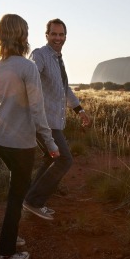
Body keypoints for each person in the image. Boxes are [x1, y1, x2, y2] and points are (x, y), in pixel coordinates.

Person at [0, 13, 60, 259]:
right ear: (22, 34)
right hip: (20, 143)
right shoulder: (27, 67)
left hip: (0, 139)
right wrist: (51, 144)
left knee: (15, 191)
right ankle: (6, 254)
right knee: (16, 196)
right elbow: (37, 110)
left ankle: (6, 237)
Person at [23, 18, 91, 220]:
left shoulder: (58, 59)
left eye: (61, 34)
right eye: (54, 34)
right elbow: (32, 77)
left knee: (50, 158)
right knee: (64, 159)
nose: (58, 38)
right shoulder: (40, 55)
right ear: (46, 35)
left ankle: (31, 199)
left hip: (54, 120)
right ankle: (33, 201)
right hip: (43, 121)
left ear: (65, 37)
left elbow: (64, 89)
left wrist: (79, 110)